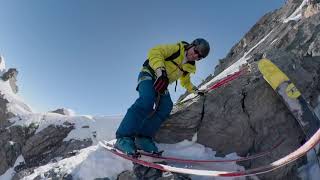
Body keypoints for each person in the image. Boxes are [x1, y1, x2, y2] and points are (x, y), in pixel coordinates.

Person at [115, 38, 210, 155]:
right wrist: (161, 71)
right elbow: (155, 51)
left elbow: (185, 82)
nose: (196, 56)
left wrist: (196, 90)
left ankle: (143, 138)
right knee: (147, 101)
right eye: (196, 51)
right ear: (191, 45)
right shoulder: (176, 49)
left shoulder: (189, 67)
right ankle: (123, 138)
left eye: (200, 57)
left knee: (166, 106)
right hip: (149, 73)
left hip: (162, 83)